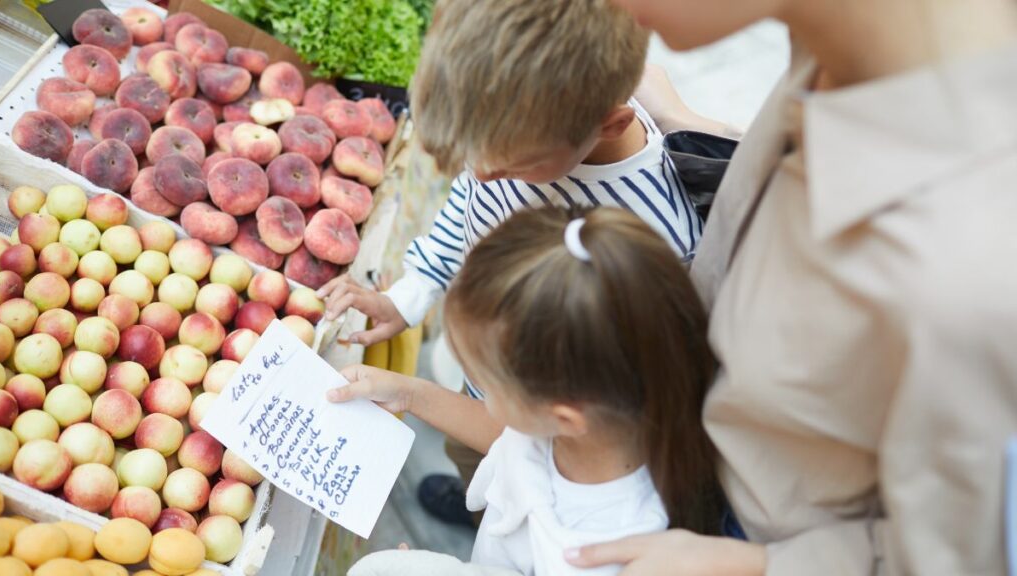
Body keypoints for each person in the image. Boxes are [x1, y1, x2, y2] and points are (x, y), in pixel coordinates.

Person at [565, 0, 1017, 574]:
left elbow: (957, 557)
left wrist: (750, 565)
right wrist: (694, 124)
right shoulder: (853, 44)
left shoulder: (978, 274)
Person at [318, 0, 715, 526]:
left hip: (548, 442)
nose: (482, 175)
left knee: (504, 498)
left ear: (610, 123)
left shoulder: (658, 239)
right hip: (497, 387)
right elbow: (471, 200)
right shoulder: (523, 135)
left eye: (512, 166)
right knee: (474, 470)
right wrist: (413, 293)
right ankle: (476, 496)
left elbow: (589, 428)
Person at [332, 206, 724, 575]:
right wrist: (411, 394)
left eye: (487, 383)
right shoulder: (593, 426)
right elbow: (510, 437)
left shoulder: (605, 555)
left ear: (562, 416)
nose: (478, 389)